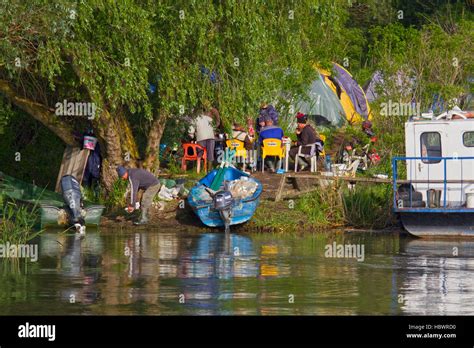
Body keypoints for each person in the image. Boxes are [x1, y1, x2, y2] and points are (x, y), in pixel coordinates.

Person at [188, 103, 220, 171]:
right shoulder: (210, 119)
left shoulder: (196, 119)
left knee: (200, 153)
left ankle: (199, 168)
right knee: (210, 154)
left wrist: (192, 136)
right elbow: (214, 128)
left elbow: (190, 131)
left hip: (201, 139)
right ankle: (209, 170)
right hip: (211, 139)